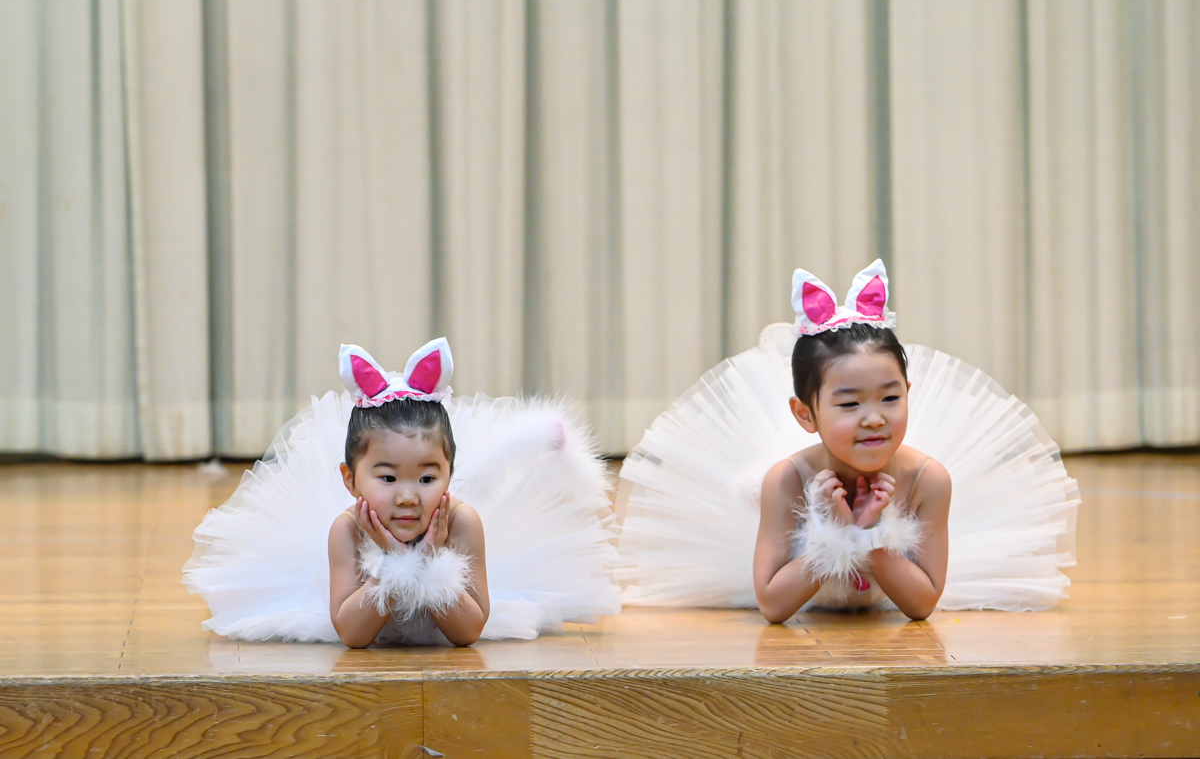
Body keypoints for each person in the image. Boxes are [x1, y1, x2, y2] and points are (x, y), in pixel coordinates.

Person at [614, 260, 1080, 618]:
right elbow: (773, 604)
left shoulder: (928, 480)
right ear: (806, 414)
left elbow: (922, 604)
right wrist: (834, 535)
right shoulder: (786, 481)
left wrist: (869, 538)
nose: (874, 418)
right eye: (850, 403)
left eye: (890, 398)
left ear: (908, 393)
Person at [185, 338, 620, 646]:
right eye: (388, 479)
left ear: (450, 475)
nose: (408, 497)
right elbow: (352, 634)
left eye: (427, 479)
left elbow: (468, 632)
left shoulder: (463, 524)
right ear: (350, 480)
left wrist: (427, 560)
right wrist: (396, 565)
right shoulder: (346, 531)